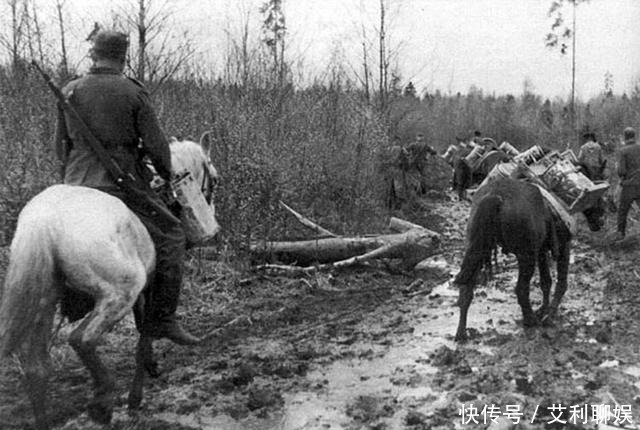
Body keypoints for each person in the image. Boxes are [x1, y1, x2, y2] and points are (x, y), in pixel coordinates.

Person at [54, 30, 200, 345]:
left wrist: (72, 180)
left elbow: (60, 150)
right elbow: (158, 148)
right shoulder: (133, 93)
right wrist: (164, 174)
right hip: (120, 186)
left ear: (93, 54)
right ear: (124, 56)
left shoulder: (69, 91)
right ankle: (162, 319)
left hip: (74, 186)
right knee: (173, 235)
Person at [614, 127, 640, 240]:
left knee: (622, 211)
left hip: (629, 185)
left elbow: (621, 171)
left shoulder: (623, 151)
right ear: (634, 136)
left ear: (625, 137)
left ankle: (621, 234)